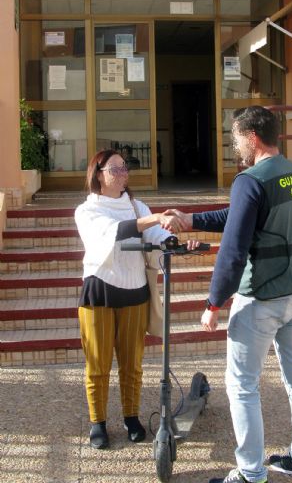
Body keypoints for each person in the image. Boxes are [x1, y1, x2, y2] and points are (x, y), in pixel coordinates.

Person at [168, 106, 292, 483]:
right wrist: (192, 220)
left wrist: (213, 302)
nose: (235, 145)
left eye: (236, 138)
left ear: (252, 137)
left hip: (263, 299)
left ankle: (251, 472)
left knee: (242, 385)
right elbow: (242, 215)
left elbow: (234, 250)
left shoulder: (250, 180)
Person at [75, 148, 184, 450]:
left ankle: (131, 416)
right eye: (115, 169)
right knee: (98, 364)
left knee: (132, 363)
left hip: (136, 291)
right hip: (99, 292)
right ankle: (97, 422)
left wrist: (171, 238)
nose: (123, 174)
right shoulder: (87, 211)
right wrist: (152, 220)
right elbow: (112, 234)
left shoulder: (137, 206)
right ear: (98, 174)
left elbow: (155, 236)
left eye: (125, 168)